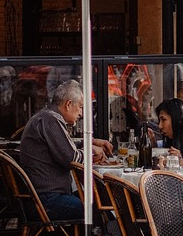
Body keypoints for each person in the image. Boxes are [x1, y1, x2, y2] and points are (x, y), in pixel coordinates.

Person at [18, 80, 113, 220]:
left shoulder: (46, 116)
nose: (81, 113)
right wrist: (90, 149)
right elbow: (71, 158)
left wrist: (90, 142)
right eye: (80, 107)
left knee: (101, 203)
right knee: (101, 210)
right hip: (47, 200)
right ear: (68, 104)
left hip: (42, 196)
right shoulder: (51, 120)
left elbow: (63, 145)